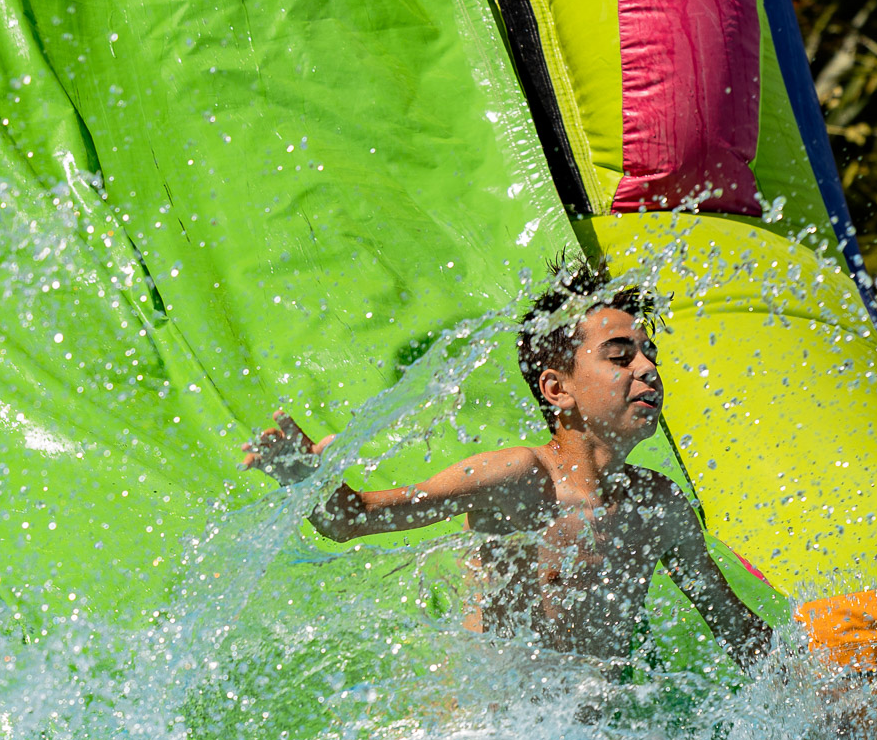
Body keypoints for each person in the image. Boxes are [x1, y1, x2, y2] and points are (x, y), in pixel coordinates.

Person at [241, 257, 773, 671]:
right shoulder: (517, 481)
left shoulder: (657, 506)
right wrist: (307, 479)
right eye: (620, 356)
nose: (649, 368)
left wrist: (819, 699)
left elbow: (737, 631)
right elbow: (350, 520)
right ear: (556, 388)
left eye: (649, 353)